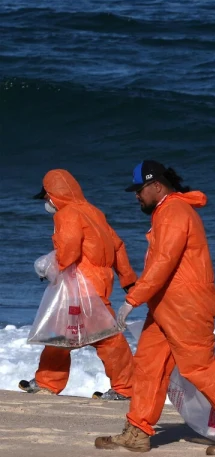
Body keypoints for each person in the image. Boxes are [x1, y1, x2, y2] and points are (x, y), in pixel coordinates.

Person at [94, 161, 215, 455]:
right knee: (148, 365)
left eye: (139, 189)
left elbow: (164, 262)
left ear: (156, 186)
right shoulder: (167, 211)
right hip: (166, 307)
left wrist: (131, 300)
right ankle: (138, 431)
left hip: (187, 307)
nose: (136, 195)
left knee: (200, 368)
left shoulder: (174, 212)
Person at [18, 170, 137, 400]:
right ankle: (49, 382)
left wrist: (49, 267)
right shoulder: (94, 212)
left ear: (54, 195)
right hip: (99, 283)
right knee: (76, 334)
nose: (45, 202)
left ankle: (124, 389)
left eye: (46, 197)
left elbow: (69, 252)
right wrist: (128, 279)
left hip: (81, 286)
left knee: (89, 336)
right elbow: (118, 246)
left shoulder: (67, 214)